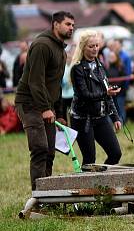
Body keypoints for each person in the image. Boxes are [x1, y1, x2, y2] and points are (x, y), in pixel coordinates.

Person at [15, 11, 75, 189]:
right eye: (67, 24)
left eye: (73, 25)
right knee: (40, 148)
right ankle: (38, 197)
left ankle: (47, 194)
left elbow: (55, 85)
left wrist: (59, 113)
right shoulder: (42, 45)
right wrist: (44, 108)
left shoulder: (60, 50)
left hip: (46, 105)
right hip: (29, 103)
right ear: (55, 25)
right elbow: (36, 81)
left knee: (49, 151)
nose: (71, 28)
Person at [69, 31, 123, 166]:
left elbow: (107, 93)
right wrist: (106, 93)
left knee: (115, 153)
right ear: (83, 47)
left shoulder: (100, 66)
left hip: (100, 117)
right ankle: (86, 186)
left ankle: (102, 182)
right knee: (89, 160)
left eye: (97, 45)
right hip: (82, 120)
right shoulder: (77, 69)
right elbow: (85, 95)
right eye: (91, 46)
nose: (95, 49)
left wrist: (115, 117)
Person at [105, 50, 128, 122]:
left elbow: (123, 80)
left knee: (120, 109)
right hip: (111, 93)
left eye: (113, 56)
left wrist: (115, 87)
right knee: (111, 110)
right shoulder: (107, 68)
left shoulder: (121, 67)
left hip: (120, 93)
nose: (111, 58)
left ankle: (122, 123)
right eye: (110, 57)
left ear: (116, 58)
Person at [61, 49, 75, 124]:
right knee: (63, 113)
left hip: (72, 94)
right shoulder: (63, 67)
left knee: (72, 113)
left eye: (70, 58)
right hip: (64, 94)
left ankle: (73, 127)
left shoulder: (73, 67)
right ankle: (65, 128)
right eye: (67, 58)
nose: (68, 59)